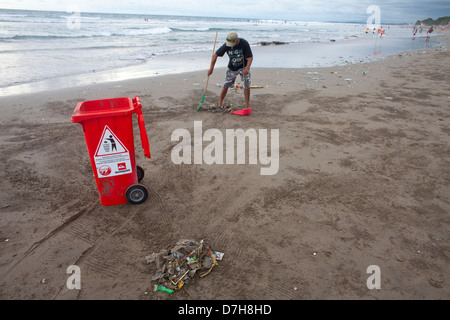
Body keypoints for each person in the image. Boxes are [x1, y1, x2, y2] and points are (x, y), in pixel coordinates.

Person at [207, 32, 253, 112]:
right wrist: (211, 68)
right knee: (226, 84)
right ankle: (220, 104)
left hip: (243, 67)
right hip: (232, 67)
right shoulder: (227, 45)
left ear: (237, 40)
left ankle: (246, 105)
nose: (231, 45)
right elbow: (215, 56)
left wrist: (247, 68)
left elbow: (250, 57)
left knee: (246, 85)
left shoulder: (244, 43)